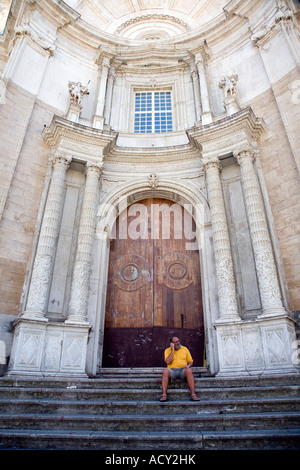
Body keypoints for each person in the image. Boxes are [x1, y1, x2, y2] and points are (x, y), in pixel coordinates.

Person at [160, 336, 200, 402]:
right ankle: (164, 395)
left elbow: (190, 361)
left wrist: (188, 366)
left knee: (189, 370)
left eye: (178, 341)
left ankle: (193, 394)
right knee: (165, 371)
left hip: (182, 370)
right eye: (175, 342)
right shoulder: (167, 350)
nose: (178, 343)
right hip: (172, 370)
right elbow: (168, 362)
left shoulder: (185, 349)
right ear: (171, 343)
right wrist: (172, 350)